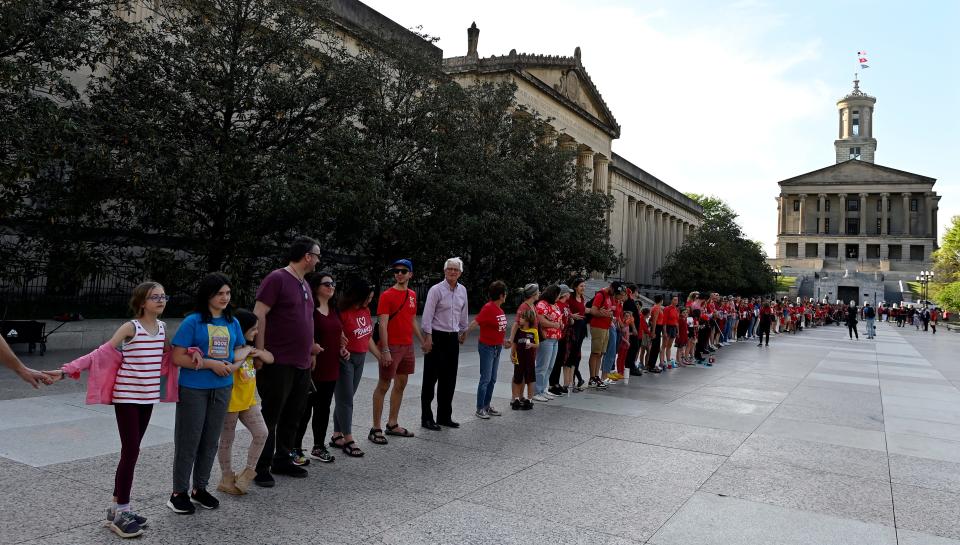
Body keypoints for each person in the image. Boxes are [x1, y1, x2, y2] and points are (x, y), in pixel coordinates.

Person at [46, 282, 180, 538]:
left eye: (164, 296)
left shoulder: (163, 328)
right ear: (142, 302)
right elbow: (101, 353)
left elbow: (168, 355)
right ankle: (121, 511)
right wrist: (66, 371)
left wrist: (191, 353)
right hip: (127, 397)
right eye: (155, 297)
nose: (161, 300)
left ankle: (116, 509)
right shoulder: (131, 327)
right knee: (131, 452)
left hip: (147, 398)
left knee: (132, 452)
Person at [168, 272, 246, 514]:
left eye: (228, 293)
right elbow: (177, 357)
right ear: (207, 295)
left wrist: (233, 366)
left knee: (211, 440)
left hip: (222, 389)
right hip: (194, 389)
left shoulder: (233, 322)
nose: (225, 298)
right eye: (219, 293)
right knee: (188, 441)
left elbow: (242, 349)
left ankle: (199, 488)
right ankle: (178, 492)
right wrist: (211, 364)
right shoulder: (193, 321)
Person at [253, 237, 321, 486]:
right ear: (307, 256)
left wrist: (311, 350)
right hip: (278, 361)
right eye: (317, 255)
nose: (318, 260)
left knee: (294, 414)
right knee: (271, 414)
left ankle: (282, 459)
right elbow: (259, 314)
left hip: (301, 362)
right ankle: (260, 466)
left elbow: (307, 320)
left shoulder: (304, 282)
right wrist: (259, 352)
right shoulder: (277, 278)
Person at [371, 259, 426, 444]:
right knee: (384, 385)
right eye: (396, 271)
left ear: (410, 274)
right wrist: (385, 349)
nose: (399, 274)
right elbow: (383, 325)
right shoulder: (387, 295)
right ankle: (376, 427)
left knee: (401, 384)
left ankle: (392, 423)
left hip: (407, 346)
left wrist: (423, 340)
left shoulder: (411, 294)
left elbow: (411, 320)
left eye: (403, 271)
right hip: (391, 347)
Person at [216, 309, 271, 495]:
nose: (257, 333)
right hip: (230, 403)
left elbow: (271, 358)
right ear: (242, 328)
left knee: (262, 433)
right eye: (254, 329)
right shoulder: (231, 348)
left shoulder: (250, 348)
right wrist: (247, 351)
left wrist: (256, 352)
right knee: (227, 440)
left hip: (249, 401)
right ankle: (226, 477)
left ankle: (248, 472)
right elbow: (233, 360)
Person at [295, 271, 343, 463]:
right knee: (304, 410)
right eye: (326, 284)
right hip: (312, 367)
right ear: (316, 287)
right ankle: (295, 448)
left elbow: (337, 334)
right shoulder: (309, 309)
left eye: (333, 283)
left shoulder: (333, 308)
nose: (331, 286)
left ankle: (318, 446)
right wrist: (311, 348)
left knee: (323, 410)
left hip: (332, 366)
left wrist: (342, 348)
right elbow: (300, 333)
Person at [331, 280, 381, 457]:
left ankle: (337, 435)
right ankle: (349, 439)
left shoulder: (365, 311)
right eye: (368, 298)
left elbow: (367, 337)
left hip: (360, 358)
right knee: (346, 400)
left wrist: (379, 356)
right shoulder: (342, 313)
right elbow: (334, 335)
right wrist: (340, 346)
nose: (370, 301)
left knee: (347, 397)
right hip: (345, 359)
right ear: (358, 296)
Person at [421, 257, 469, 430]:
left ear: (460, 273)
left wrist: (463, 331)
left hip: (452, 338)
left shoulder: (462, 290)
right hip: (437, 336)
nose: (453, 272)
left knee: (449, 379)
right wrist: (427, 337)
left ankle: (444, 416)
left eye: (456, 269)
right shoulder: (436, 290)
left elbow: (464, 313)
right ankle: (426, 418)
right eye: (450, 269)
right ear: (444, 271)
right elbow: (427, 315)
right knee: (430, 379)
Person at [466, 280, 508, 419]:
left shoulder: (499, 310)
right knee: (485, 378)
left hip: (497, 347)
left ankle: (487, 405)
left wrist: (503, 341)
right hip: (487, 348)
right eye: (505, 294)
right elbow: (475, 322)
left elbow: (498, 330)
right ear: (502, 295)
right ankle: (480, 408)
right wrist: (463, 334)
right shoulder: (488, 308)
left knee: (493, 379)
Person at [587, 281, 624, 387]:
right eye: (614, 291)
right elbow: (593, 311)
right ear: (611, 287)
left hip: (606, 326)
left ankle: (596, 376)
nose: (615, 293)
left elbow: (610, 310)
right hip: (598, 326)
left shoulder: (610, 296)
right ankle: (592, 377)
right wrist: (602, 313)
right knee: (595, 352)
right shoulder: (601, 295)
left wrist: (609, 314)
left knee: (601, 353)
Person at [532, 285, 563, 402]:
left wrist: (560, 324)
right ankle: (536, 391)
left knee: (550, 366)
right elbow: (540, 320)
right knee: (542, 366)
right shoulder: (542, 304)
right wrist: (554, 325)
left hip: (555, 338)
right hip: (546, 338)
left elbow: (557, 318)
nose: (559, 297)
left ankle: (544, 389)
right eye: (558, 295)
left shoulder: (553, 304)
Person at [563, 278, 589, 390]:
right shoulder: (570, 299)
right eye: (581, 286)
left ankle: (572, 381)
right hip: (573, 328)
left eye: (584, 286)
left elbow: (585, 311)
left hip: (581, 327)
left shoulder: (582, 298)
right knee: (570, 353)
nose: (583, 288)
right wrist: (571, 315)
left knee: (576, 353)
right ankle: (567, 382)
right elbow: (565, 310)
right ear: (575, 287)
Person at [510, 309, 538, 410]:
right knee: (517, 378)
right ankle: (516, 398)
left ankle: (530, 400)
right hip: (519, 359)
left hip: (530, 360)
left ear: (527, 320)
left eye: (521, 318)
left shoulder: (534, 331)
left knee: (530, 379)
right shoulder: (519, 331)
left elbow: (537, 344)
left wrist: (532, 344)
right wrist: (512, 354)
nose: (519, 319)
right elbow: (514, 344)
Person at [548, 284, 572, 396]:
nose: (570, 294)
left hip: (565, 336)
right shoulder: (558, 305)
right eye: (568, 293)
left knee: (560, 360)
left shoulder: (565, 305)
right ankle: (553, 384)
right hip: (559, 335)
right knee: (556, 361)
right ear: (565, 293)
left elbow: (567, 318)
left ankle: (556, 383)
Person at [646, 294, 664, 373]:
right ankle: (651, 365)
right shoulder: (656, 308)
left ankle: (651, 365)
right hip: (656, 328)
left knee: (655, 347)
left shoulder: (655, 307)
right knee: (655, 348)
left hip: (658, 328)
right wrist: (653, 332)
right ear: (661, 300)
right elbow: (654, 320)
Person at [662, 296, 680, 368]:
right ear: (671, 300)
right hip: (668, 327)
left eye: (677, 300)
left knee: (669, 346)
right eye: (675, 300)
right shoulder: (667, 308)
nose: (676, 301)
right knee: (664, 345)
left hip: (673, 328)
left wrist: (677, 331)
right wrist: (664, 331)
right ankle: (662, 361)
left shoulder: (676, 309)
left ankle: (668, 361)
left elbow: (676, 321)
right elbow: (664, 321)